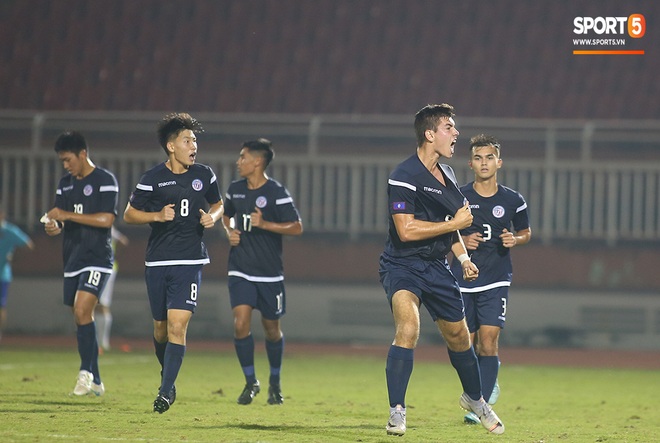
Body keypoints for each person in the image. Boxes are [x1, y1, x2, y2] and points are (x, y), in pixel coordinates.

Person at [378, 104, 504, 436]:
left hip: (437, 266)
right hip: (402, 264)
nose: (457, 133)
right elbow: (405, 230)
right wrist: (455, 223)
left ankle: (475, 399)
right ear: (430, 134)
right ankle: (397, 411)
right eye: (450, 127)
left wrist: (463, 259)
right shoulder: (403, 176)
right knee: (408, 328)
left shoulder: (447, 174)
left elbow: (453, 229)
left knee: (460, 337)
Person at [123, 112, 223, 414]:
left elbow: (218, 204)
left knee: (178, 327)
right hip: (157, 263)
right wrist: (155, 216)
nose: (193, 145)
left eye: (195, 140)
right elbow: (129, 214)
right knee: (160, 330)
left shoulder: (204, 175)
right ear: (171, 146)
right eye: (187, 140)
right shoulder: (152, 178)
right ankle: (168, 378)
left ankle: (165, 392)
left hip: (190, 261)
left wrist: (212, 217)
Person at [449, 134, 531, 425]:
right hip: (463, 277)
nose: (484, 163)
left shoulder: (512, 200)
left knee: (490, 340)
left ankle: (478, 404)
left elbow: (525, 232)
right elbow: (447, 231)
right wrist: (461, 239)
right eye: (479, 158)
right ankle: (484, 382)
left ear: (499, 162)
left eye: (489, 157)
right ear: (471, 163)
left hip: (496, 278)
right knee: (465, 342)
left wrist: (515, 240)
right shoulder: (459, 196)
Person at [221, 138, 302, 406]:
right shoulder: (235, 190)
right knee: (241, 323)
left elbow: (296, 227)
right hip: (240, 269)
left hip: (270, 274)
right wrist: (229, 231)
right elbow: (225, 215)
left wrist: (265, 223)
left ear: (257, 161)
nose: (238, 162)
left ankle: (275, 383)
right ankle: (250, 381)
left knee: (271, 330)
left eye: (243, 157)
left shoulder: (277, 192)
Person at [43, 131, 119, 396]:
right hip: (72, 259)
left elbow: (107, 220)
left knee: (82, 309)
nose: (65, 165)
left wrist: (66, 216)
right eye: (62, 161)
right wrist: (55, 225)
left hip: (97, 259)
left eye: (68, 159)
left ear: (82, 154)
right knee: (80, 316)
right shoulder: (65, 183)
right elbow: (61, 219)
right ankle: (96, 378)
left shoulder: (105, 180)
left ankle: (85, 373)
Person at [0, 207, 35, 342]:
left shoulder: (9, 231)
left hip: (2, 275)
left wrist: (14, 258)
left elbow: (29, 245)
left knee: (1, 306)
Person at [95, 226, 129, 352]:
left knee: (102, 304)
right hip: (97, 268)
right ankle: (99, 341)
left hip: (106, 268)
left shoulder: (107, 226)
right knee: (95, 304)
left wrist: (113, 254)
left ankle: (103, 342)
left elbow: (123, 241)